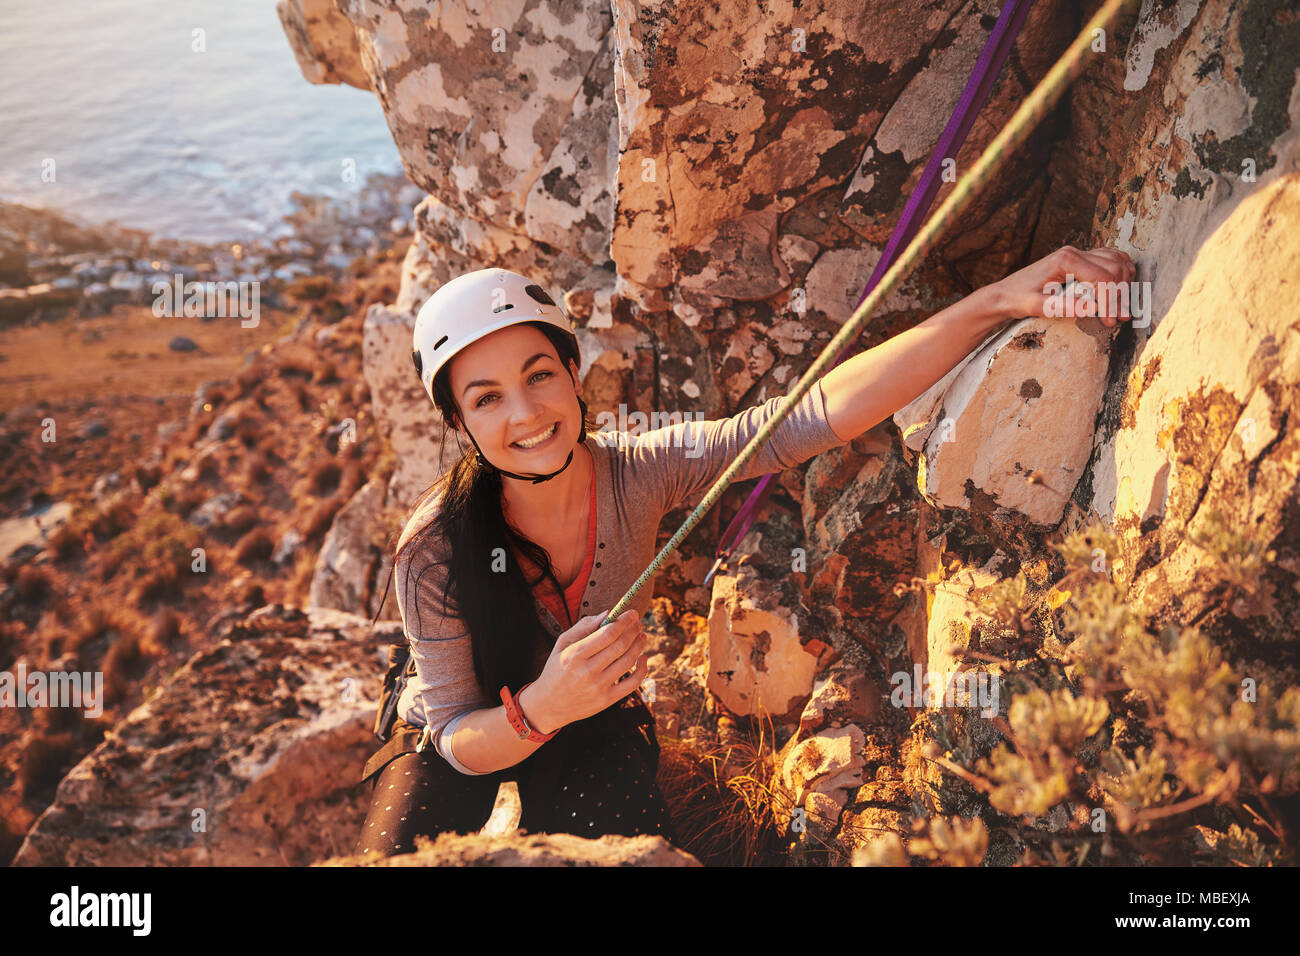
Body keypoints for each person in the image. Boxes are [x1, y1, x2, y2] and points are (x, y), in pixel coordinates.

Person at [355, 246, 1135, 857]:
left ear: (573, 373)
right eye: (486, 398)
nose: (525, 414)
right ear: (459, 424)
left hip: (587, 711)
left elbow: (810, 418)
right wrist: (544, 706)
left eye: (539, 375)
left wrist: (1003, 298)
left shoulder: (638, 473)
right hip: (470, 732)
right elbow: (457, 735)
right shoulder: (433, 550)